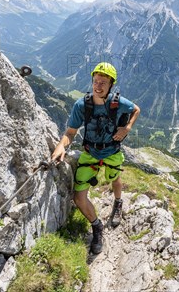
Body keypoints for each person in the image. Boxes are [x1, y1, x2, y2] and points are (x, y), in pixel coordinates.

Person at [51, 62, 140, 254]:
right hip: (90, 153)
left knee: (115, 179)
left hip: (112, 151)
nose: (98, 86)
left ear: (111, 85)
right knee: (78, 197)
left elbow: (136, 110)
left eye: (103, 82)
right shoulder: (82, 105)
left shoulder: (119, 103)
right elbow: (71, 132)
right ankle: (97, 226)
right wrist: (60, 146)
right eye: (95, 81)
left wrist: (127, 128)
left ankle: (118, 203)